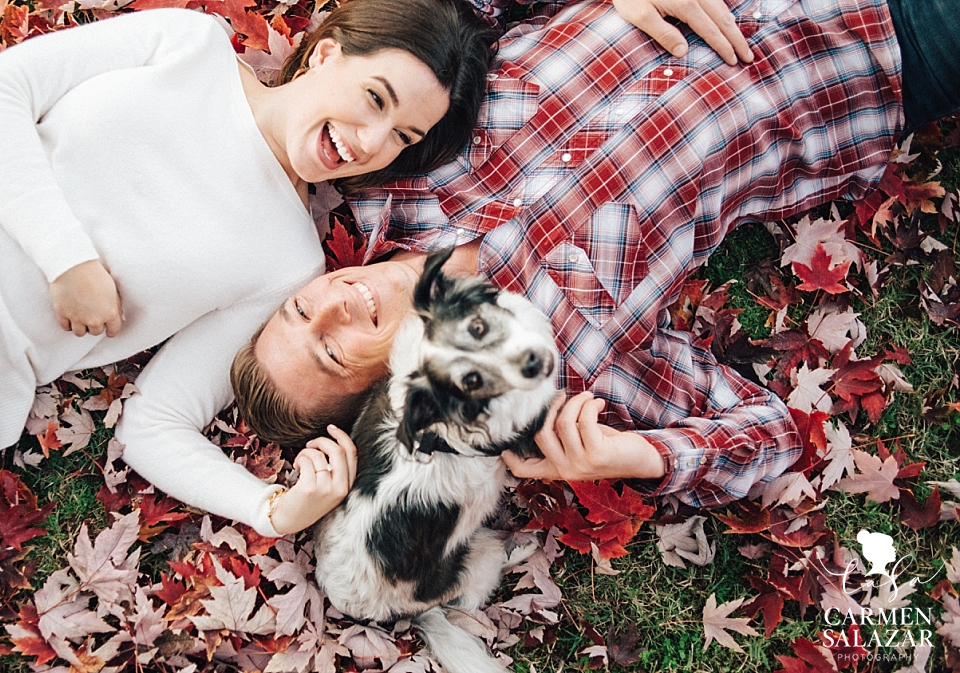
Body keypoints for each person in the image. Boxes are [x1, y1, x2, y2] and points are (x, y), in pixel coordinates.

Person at [0, 0, 497, 591]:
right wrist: (65, 256)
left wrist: (271, 508)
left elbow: (158, 423)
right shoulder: (191, 46)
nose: (371, 140)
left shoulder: (288, 260)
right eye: (374, 99)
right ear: (330, 51)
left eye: (402, 135)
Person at [233, 0, 960, 510]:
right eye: (332, 349)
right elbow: (766, 436)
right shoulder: (557, 373)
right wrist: (637, 457)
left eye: (303, 308)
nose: (334, 302)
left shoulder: (388, 166)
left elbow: (465, 18)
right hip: (874, 49)